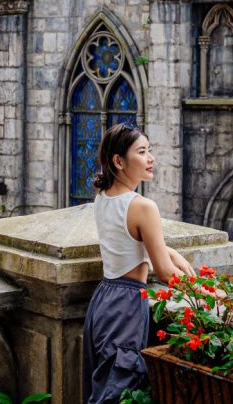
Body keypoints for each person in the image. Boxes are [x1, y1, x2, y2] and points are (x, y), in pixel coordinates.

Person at [82, 123, 196, 404]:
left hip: (103, 301)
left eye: (150, 151)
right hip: (126, 304)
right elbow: (166, 273)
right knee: (118, 391)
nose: (151, 158)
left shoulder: (103, 198)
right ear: (119, 161)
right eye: (142, 152)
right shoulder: (144, 206)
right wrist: (205, 291)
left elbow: (129, 239)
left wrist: (170, 250)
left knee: (100, 386)